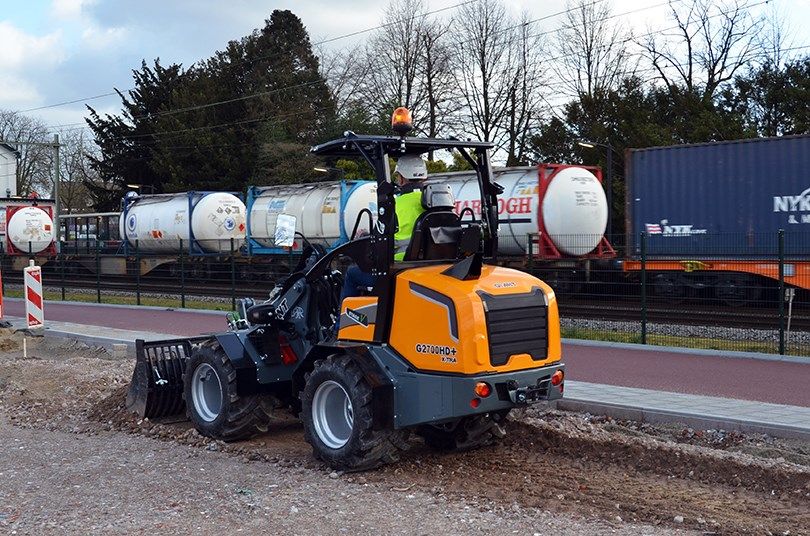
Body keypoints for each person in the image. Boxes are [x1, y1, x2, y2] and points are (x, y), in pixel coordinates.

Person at [339, 154, 427, 302]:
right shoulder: (436, 203)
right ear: (424, 177)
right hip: (433, 267)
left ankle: (342, 324)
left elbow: (377, 243)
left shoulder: (395, 205)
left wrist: (366, 236)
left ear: (401, 178)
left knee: (352, 274)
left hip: (398, 268)